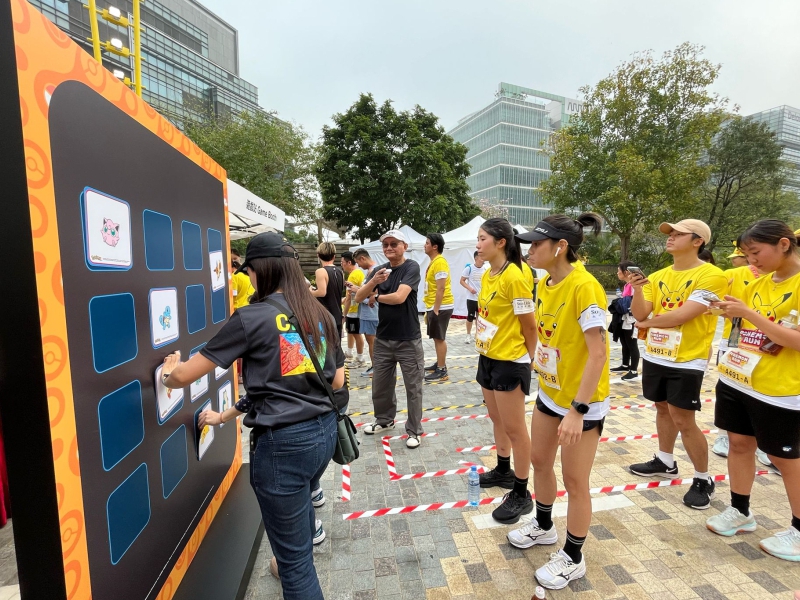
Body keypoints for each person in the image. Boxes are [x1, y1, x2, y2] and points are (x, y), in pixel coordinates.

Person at [159, 232, 345, 600]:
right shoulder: (319, 312)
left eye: (249, 271)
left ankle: (291, 559)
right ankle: (293, 551)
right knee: (300, 512)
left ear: (260, 270)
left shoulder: (252, 317)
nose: (249, 278)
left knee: (296, 569)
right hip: (323, 434)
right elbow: (336, 380)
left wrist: (168, 371)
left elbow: (181, 377)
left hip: (283, 446)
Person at [507, 214, 608, 590]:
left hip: (582, 404)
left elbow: (598, 355)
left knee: (575, 480)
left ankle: (573, 557)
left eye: (537, 244)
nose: (530, 250)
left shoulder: (585, 286)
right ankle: (544, 524)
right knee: (539, 461)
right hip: (551, 392)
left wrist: (578, 411)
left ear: (560, 247)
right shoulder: (544, 283)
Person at [705, 220, 800, 562]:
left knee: (785, 458)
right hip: (739, 378)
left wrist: (747, 313)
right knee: (739, 444)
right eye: (747, 255)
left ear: (784, 244)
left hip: (780, 389)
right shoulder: (758, 283)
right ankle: (740, 510)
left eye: (756, 253)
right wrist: (726, 311)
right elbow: (743, 325)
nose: (752, 261)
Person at [627, 219, 728, 509]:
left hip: (688, 359)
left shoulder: (712, 275)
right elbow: (641, 312)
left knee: (684, 419)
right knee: (661, 408)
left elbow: (684, 315)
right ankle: (665, 461)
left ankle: (703, 478)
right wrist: (637, 290)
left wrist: (647, 323)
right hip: (656, 354)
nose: (670, 237)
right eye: (670, 234)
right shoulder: (658, 276)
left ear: (698, 241)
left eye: (679, 234)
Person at [472, 218, 536, 524]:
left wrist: (531, 360)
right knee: (497, 418)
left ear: (500, 242)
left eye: (482, 238)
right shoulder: (489, 273)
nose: (477, 244)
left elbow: (529, 326)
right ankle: (502, 469)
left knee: (516, 429)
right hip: (488, 356)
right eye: (477, 238)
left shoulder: (516, 276)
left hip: (510, 360)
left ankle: (521, 493)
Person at [354, 230, 425, 448]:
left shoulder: (411, 267)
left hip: (408, 338)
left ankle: (414, 430)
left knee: (413, 387)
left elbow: (400, 297)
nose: (389, 248)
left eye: (394, 244)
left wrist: (375, 296)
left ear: (404, 246)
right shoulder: (379, 271)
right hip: (383, 338)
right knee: (381, 385)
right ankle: (384, 420)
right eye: (385, 245)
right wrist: (373, 281)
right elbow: (358, 297)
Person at [711, 244, 763, 459]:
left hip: (771, 347)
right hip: (734, 340)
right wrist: (725, 310)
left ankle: (763, 443)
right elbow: (712, 306)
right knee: (731, 388)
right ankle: (724, 435)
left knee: (762, 390)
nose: (734, 260)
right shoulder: (732, 275)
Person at [423, 233, 454, 382]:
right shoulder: (434, 262)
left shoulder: (440, 262)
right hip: (435, 305)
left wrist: (436, 309)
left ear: (435, 247)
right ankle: (439, 363)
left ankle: (442, 370)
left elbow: (441, 288)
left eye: (427, 243)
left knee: (439, 338)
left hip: (441, 306)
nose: (424, 245)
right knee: (436, 337)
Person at [609, 261, 640, 381]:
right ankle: (625, 365)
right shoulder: (627, 285)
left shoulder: (635, 286)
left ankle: (634, 371)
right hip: (624, 318)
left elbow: (634, 302)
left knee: (632, 344)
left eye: (619, 271)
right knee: (624, 342)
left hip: (631, 319)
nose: (617, 273)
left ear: (626, 272)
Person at [310, 242, 344, 339]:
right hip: (337, 313)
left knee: (326, 345)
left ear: (318, 255)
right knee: (336, 345)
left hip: (326, 315)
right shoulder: (340, 271)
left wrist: (309, 291)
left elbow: (322, 292)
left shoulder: (321, 271)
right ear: (334, 256)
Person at [353, 248, 379, 376]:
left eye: (358, 262)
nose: (358, 266)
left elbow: (375, 291)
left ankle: (376, 368)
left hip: (372, 312)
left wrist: (357, 291)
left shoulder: (374, 271)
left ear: (363, 258)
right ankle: (376, 367)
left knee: (372, 341)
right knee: (371, 340)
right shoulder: (371, 271)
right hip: (368, 312)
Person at [341, 251, 366, 365]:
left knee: (356, 334)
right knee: (350, 331)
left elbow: (349, 298)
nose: (342, 265)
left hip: (354, 311)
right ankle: (350, 352)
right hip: (356, 309)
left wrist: (344, 314)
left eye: (342, 262)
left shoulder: (353, 276)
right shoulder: (358, 273)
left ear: (349, 262)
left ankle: (360, 358)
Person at [460, 251, 487, 343]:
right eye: (481, 257)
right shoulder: (469, 268)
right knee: (470, 316)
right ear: (476, 258)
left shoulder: (485, 269)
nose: (483, 259)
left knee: (480, 318)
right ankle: (468, 335)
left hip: (481, 298)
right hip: (471, 298)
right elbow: (462, 281)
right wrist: (470, 288)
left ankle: (478, 335)